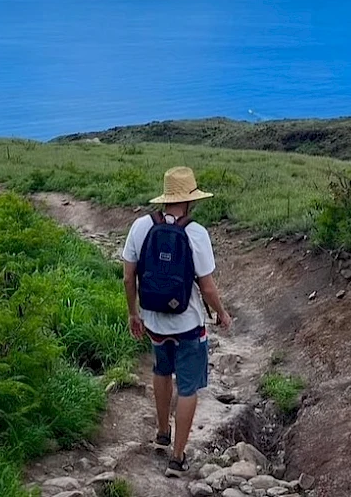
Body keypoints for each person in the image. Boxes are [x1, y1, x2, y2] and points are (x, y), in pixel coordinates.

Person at [122, 166, 232, 478]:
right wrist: (222, 314)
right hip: (188, 323)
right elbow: (207, 287)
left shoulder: (141, 226)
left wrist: (134, 313)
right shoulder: (196, 232)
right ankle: (178, 456)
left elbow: (129, 277)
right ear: (190, 200)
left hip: (155, 321)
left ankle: (161, 431)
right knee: (188, 387)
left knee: (161, 370)